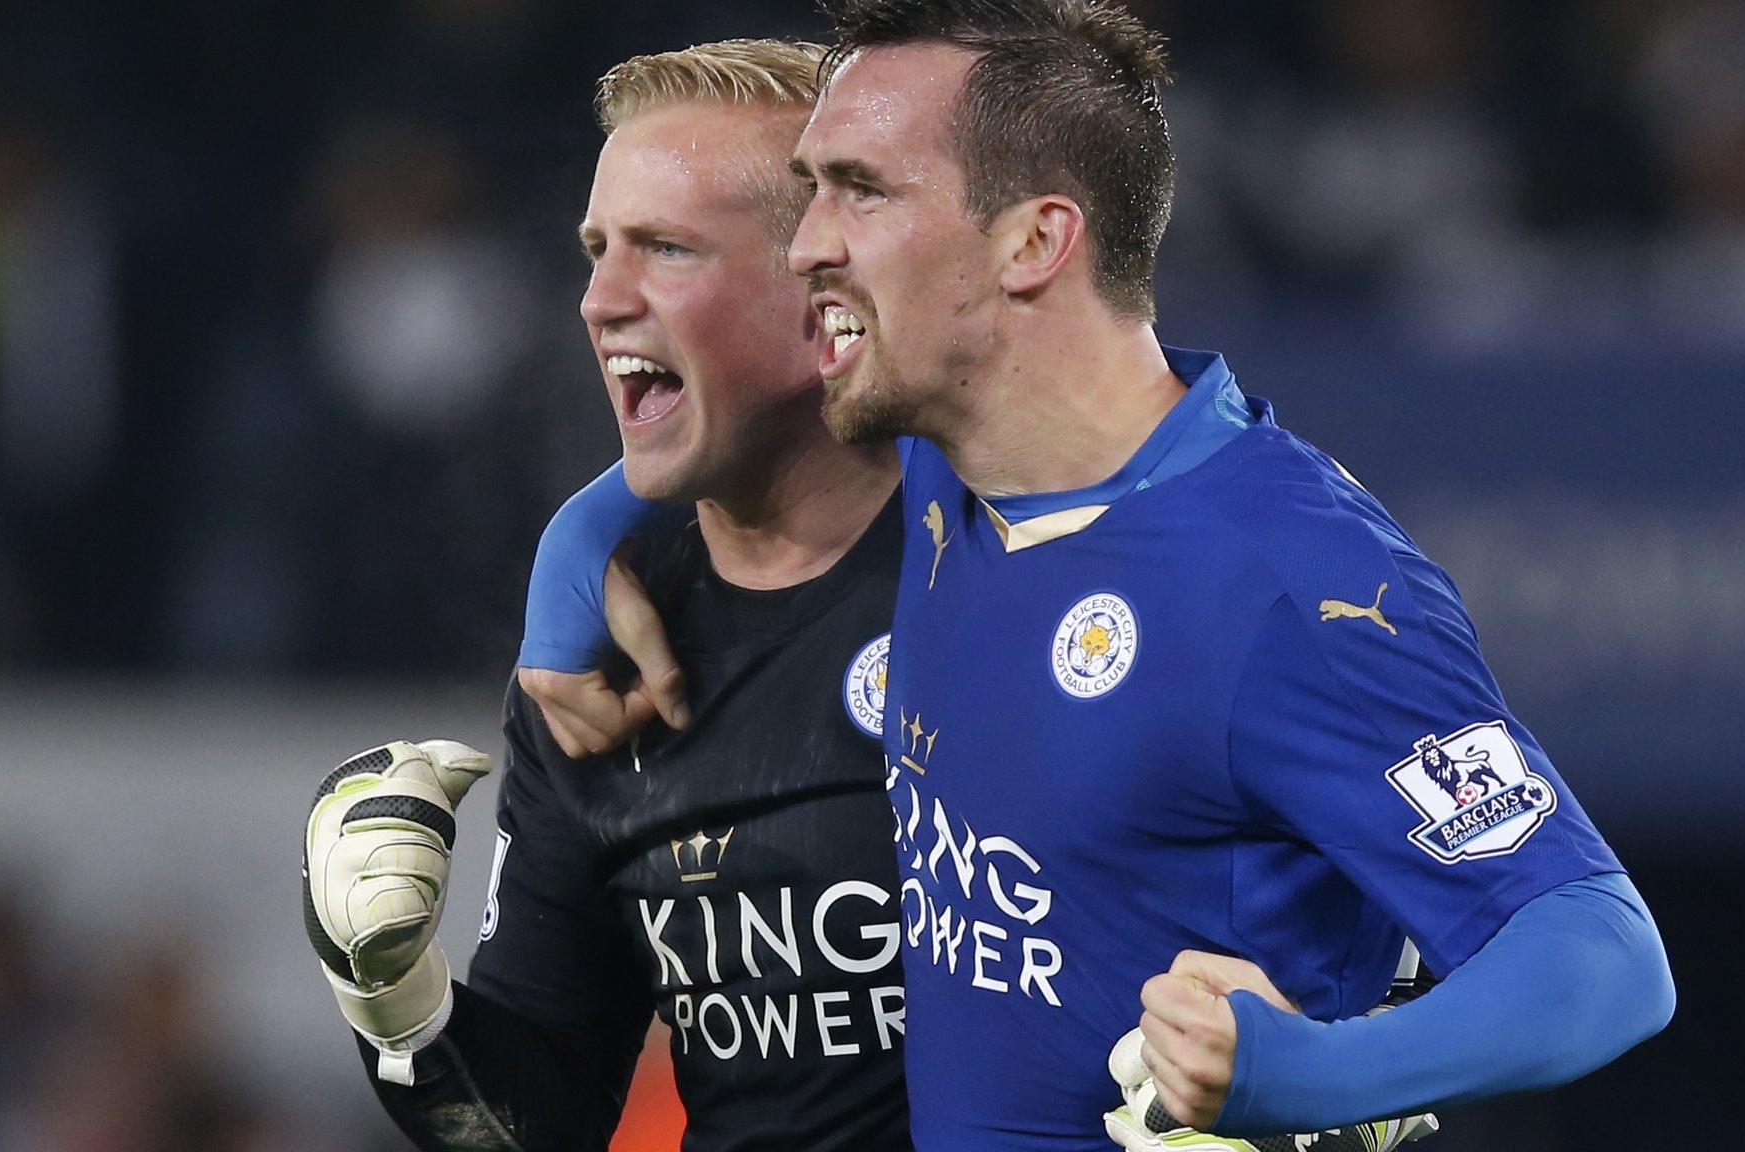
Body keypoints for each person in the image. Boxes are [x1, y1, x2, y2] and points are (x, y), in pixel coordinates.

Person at [520, 2, 1676, 1151]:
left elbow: (1600, 955)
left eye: (860, 190)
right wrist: (572, 562)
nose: (809, 241)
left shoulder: (1289, 588)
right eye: (812, 186)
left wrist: (1306, 1073)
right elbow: (715, 435)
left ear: (1032, 241)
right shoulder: (938, 459)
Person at [302, 41, 915, 1152]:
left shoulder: (1012, 568)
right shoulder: (590, 668)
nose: (598, 301)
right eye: (595, 253)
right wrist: (395, 999)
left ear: (825, 288)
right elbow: (529, 1125)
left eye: (664, 250)